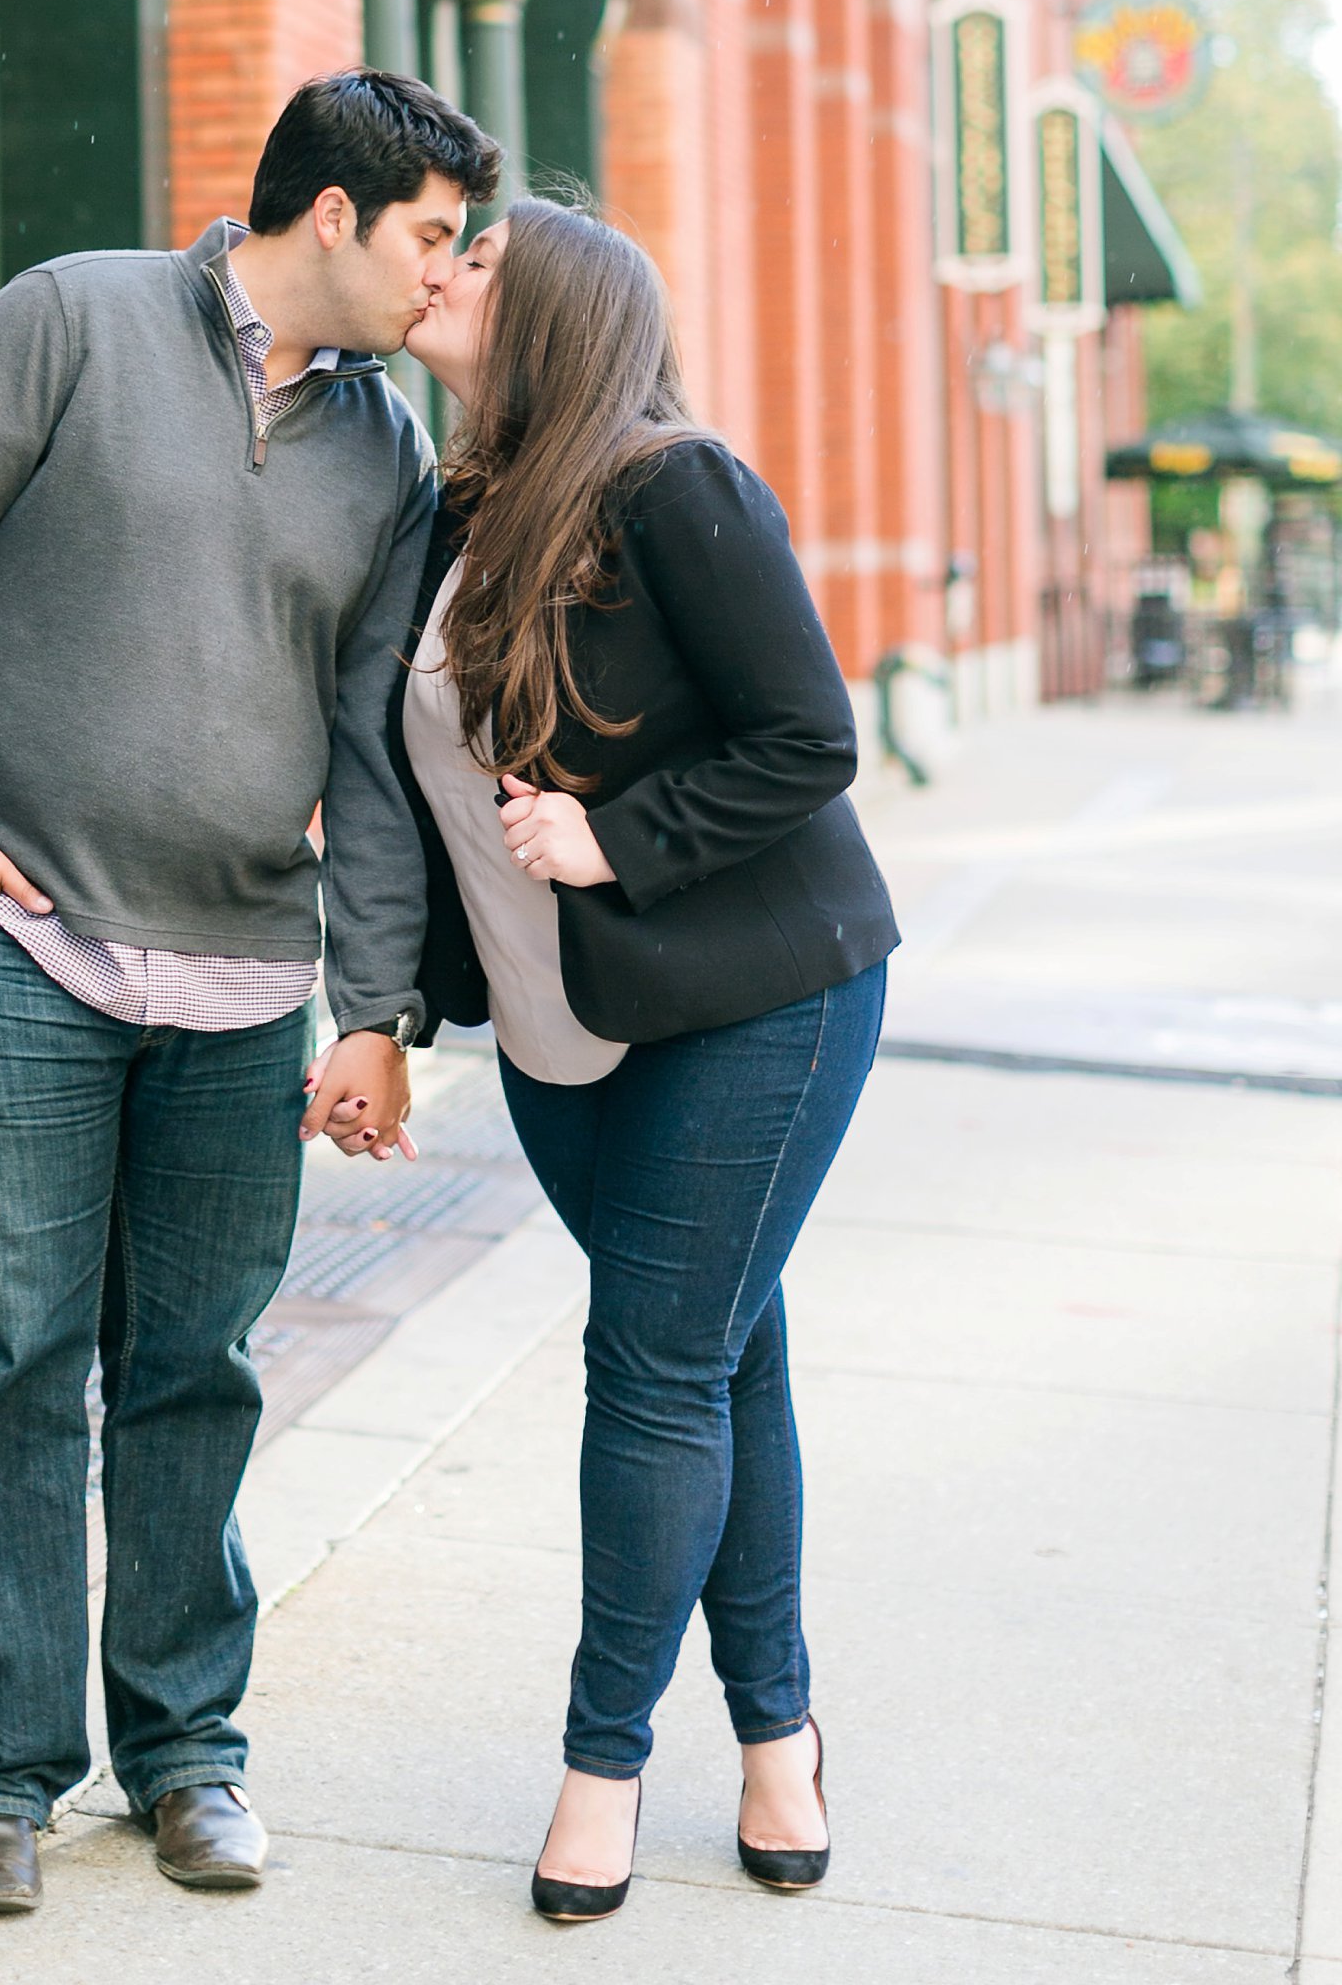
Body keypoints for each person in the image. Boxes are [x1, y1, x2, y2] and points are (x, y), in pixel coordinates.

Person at [0, 72, 499, 1919]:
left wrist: (373, 999)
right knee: (10, 1370)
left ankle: (188, 1754)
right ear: (337, 212)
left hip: (240, 977)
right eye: (435, 237)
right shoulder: (71, 316)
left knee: (193, 1373)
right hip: (12, 953)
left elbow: (375, 748)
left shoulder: (386, 452)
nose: (448, 278)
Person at [395, 198, 897, 1922]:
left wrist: (623, 839)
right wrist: (390, 1007)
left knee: (654, 1364)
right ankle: (783, 1738)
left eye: (474, 262)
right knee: (720, 1354)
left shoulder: (672, 485)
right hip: (559, 1026)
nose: (439, 275)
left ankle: (603, 1765)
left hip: (756, 989)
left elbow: (810, 736)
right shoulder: (458, 507)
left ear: (550, 319)